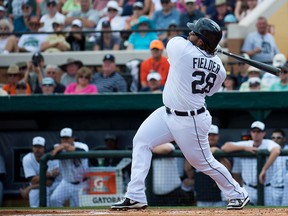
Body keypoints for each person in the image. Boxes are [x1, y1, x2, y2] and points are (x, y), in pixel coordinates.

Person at [111, 18, 249, 211]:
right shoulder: (220, 69)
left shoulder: (181, 49)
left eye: (195, 33)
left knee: (203, 163)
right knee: (141, 141)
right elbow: (210, 91)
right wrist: (208, 52)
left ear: (201, 41)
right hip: (167, 113)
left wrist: (203, 50)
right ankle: (135, 195)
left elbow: (178, 40)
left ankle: (237, 193)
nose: (190, 33)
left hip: (190, 120)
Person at [221, 121, 281, 206]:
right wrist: (245, 148)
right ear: (251, 132)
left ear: (263, 133)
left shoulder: (268, 143)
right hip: (248, 188)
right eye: (254, 131)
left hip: (266, 188)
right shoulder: (247, 143)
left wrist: (264, 169)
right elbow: (225, 147)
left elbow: (276, 151)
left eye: (258, 131)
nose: (256, 134)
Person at [50, 128, 89, 207]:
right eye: (63, 138)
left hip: (82, 183)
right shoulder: (58, 147)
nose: (65, 141)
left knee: (77, 208)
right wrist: (59, 148)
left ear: (73, 138)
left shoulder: (82, 146)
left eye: (67, 138)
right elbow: (48, 153)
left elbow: (84, 152)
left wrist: (69, 148)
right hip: (66, 183)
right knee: (54, 199)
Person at [194, 124, 231, 207]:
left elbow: (228, 168)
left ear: (218, 136)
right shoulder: (197, 149)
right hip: (202, 194)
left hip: (219, 195)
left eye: (214, 135)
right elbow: (188, 170)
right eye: (209, 135)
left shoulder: (222, 149)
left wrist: (219, 154)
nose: (211, 137)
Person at [22, 136, 60, 207]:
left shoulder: (51, 158)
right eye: (35, 147)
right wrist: (50, 173)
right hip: (36, 186)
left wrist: (30, 187)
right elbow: (33, 180)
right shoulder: (27, 159)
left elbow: (50, 182)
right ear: (32, 148)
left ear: (44, 148)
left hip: (55, 185)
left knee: (54, 197)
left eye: (40, 147)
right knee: (33, 194)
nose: (37, 149)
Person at [269, 129, 288, 206]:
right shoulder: (268, 150)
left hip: (286, 188)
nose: (275, 140)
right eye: (273, 138)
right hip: (273, 188)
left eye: (278, 138)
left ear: (284, 139)